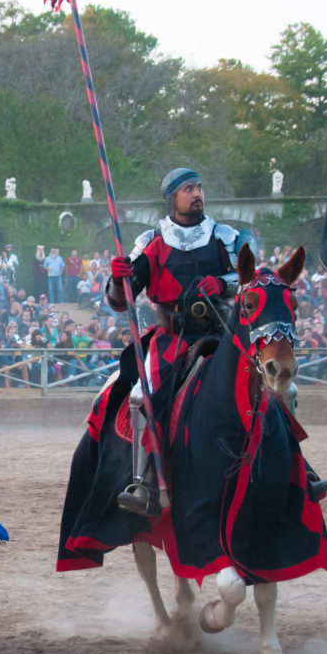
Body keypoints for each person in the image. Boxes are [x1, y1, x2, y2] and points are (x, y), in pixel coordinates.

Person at [104, 168, 241, 516]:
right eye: (188, 189)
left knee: (270, 382)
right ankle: (144, 480)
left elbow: (249, 278)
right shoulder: (152, 241)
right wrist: (119, 280)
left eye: (199, 187)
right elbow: (123, 299)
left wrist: (223, 285)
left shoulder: (225, 237)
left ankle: (295, 464)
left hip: (221, 332)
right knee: (142, 395)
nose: (197, 194)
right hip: (172, 338)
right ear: (172, 198)